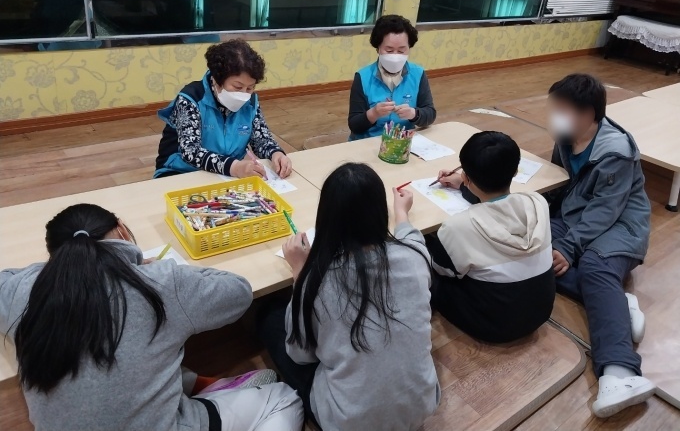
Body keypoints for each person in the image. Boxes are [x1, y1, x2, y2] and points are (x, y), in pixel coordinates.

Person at [0, 204, 303, 431]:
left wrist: (46, 272)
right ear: (122, 230)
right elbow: (239, 292)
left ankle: (200, 387)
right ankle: (208, 393)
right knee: (284, 398)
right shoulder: (158, 282)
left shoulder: (22, 289)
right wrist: (156, 270)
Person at [257, 163, 440, 430]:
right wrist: (402, 213)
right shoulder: (415, 256)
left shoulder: (317, 279)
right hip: (422, 406)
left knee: (270, 319)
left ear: (326, 218)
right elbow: (413, 239)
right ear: (380, 212)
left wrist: (299, 272)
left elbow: (300, 354)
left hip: (349, 422)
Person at [545, 74, 655, 418]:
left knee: (594, 266)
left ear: (588, 113)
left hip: (621, 224)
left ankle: (620, 375)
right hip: (576, 216)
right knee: (531, 246)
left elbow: (605, 210)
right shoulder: (566, 137)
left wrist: (568, 247)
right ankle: (615, 302)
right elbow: (556, 182)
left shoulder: (616, 151)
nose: (554, 117)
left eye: (561, 110)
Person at [426, 132, 555, 343]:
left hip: (492, 326)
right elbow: (499, 204)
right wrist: (464, 185)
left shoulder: (457, 226)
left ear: (465, 176)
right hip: (540, 313)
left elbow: (441, 270)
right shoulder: (537, 202)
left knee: (428, 264)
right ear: (515, 172)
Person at [155, 39, 293, 179]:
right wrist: (234, 167)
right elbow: (191, 152)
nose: (244, 94)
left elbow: (261, 139)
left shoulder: (250, 102)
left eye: (250, 88)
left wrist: (276, 153)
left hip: (225, 174)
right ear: (217, 80)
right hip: (181, 172)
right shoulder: (192, 99)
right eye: (238, 87)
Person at [348, 14, 436, 140]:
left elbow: (430, 114)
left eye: (401, 51)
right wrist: (374, 113)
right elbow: (354, 125)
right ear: (378, 48)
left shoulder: (418, 74)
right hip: (369, 142)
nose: (395, 56)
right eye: (389, 50)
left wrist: (414, 114)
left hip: (402, 143)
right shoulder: (363, 77)